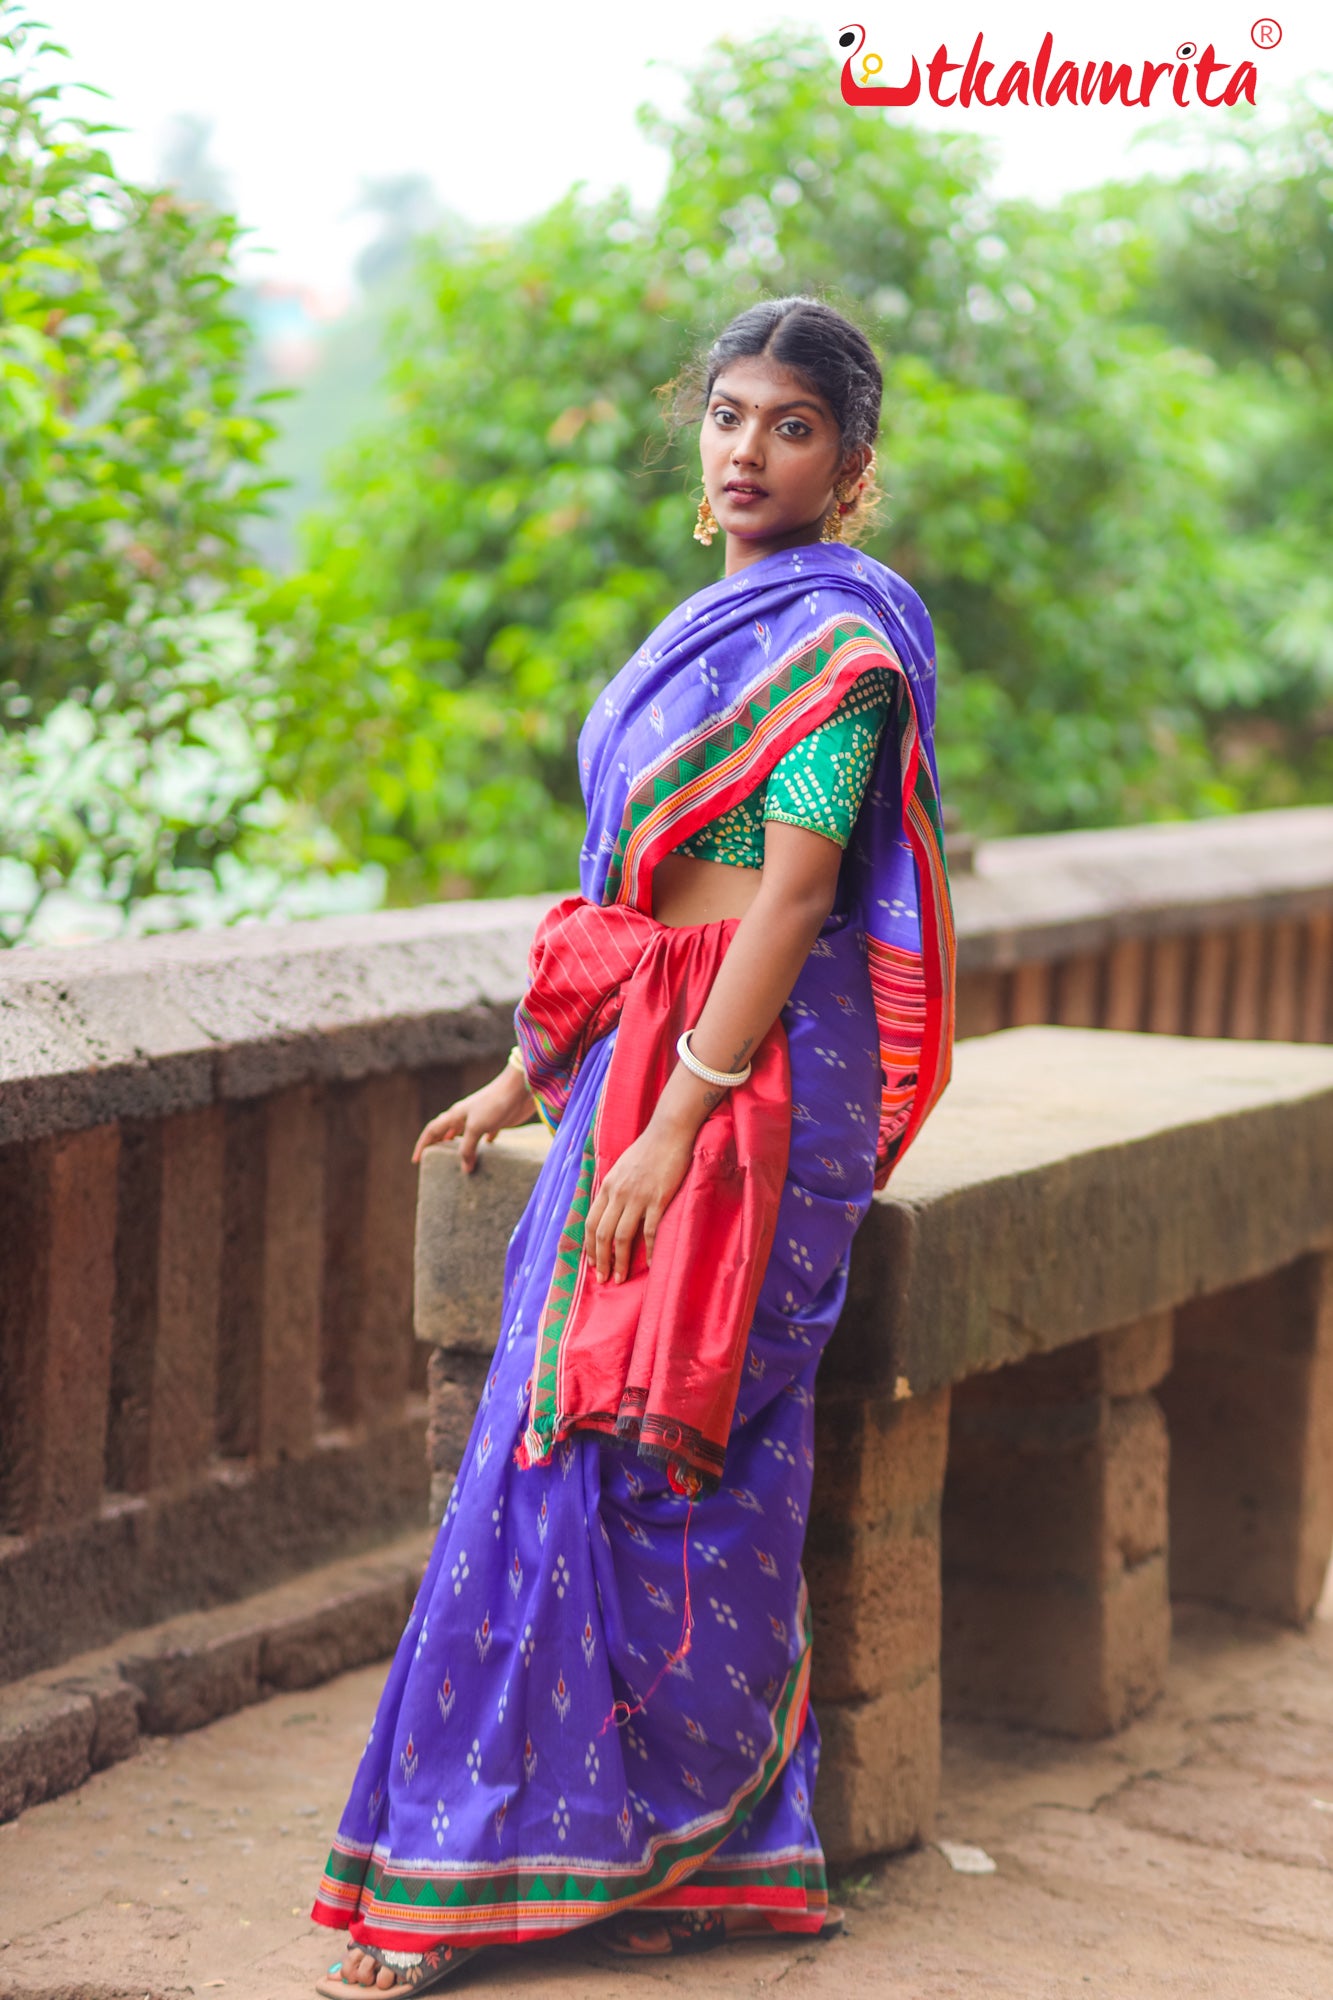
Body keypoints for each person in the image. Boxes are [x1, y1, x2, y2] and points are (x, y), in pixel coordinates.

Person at [312, 295, 955, 1996]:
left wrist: (676, 1116)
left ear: (852, 466)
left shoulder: (846, 646)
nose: (747, 449)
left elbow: (794, 896)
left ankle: (659, 1846)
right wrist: (533, 1074)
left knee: (672, 1461)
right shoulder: (712, 625)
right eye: (728, 415)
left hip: (750, 1092)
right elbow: (636, 905)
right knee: (553, 1439)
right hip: (644, 1071)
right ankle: (524, 1850)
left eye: (789, 427)